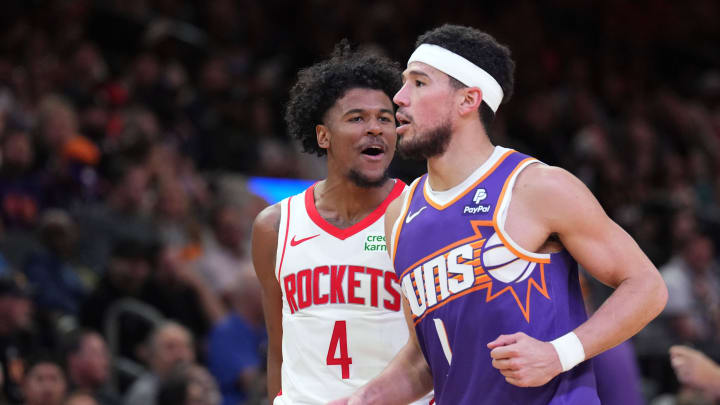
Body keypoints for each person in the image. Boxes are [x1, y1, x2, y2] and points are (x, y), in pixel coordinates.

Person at [331, 24, 667, 404]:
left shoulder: (536, 187)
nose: (399, 97)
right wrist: (360, 400)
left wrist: (558, 354)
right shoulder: (400, 215)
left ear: (468, 100)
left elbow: (646, 286)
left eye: (419, 83)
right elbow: (424, 362)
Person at [252, 41, 432, 404]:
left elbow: (441, 349)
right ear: (323, 135)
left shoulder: (420, 215)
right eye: (357, 118)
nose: (375, 128)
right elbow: (278, 350)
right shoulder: (274, 226)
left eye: (385, 118)